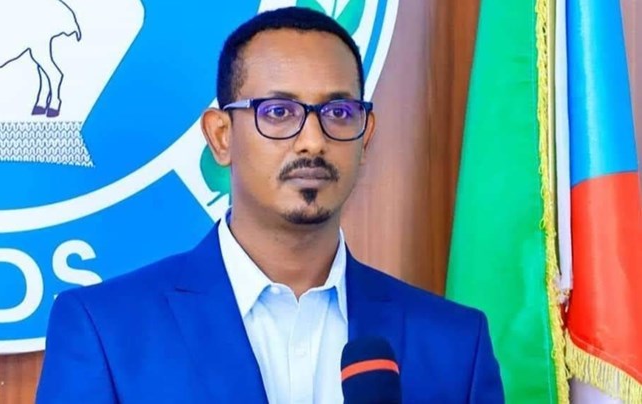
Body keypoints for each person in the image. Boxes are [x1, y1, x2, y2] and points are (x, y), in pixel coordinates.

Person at [36, 7, 504, 403]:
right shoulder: (107, 331)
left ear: (365, 136)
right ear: (222, 136)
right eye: (278, 112)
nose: (313, 140)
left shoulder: (454, 345)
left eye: (339, 113)